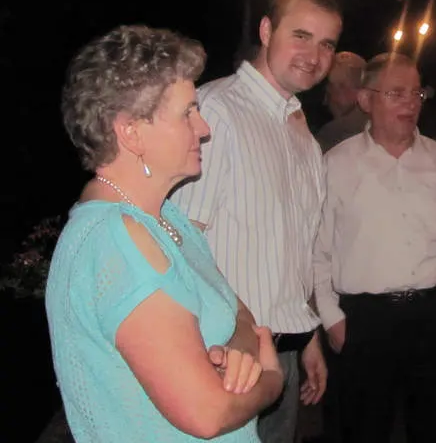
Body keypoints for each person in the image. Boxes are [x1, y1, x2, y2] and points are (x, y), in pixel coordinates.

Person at [47, 25, 284, 443]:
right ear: (131, 132)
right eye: (187, 113)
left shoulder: (166, 218)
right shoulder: (115, 241)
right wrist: (269, 380)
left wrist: (237, 353)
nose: (204, 128)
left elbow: (241, 315)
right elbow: (207, 415)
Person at [171, 0, 343, 443]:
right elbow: (180, 241)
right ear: (267, 31)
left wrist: (308, 338)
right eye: (301, 35)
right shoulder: (216, 110)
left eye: (327, 44)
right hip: (225, 356)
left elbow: (296, 254)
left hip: (281, 357)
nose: (314, 55)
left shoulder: (302, 136)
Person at [313, 52, 436, 443]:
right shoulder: (336, 164)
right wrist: (332, 317)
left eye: (416, 93)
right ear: (365, 99)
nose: (410, 103)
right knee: (361, 432)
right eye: (396, 93)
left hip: (434, 316)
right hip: (364, 321)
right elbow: (319, 250)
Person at [315, 51, 368, 153]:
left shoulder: (333, 133)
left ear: (343, 87)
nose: (326, 101)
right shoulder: (379, 126)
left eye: (330, 89)